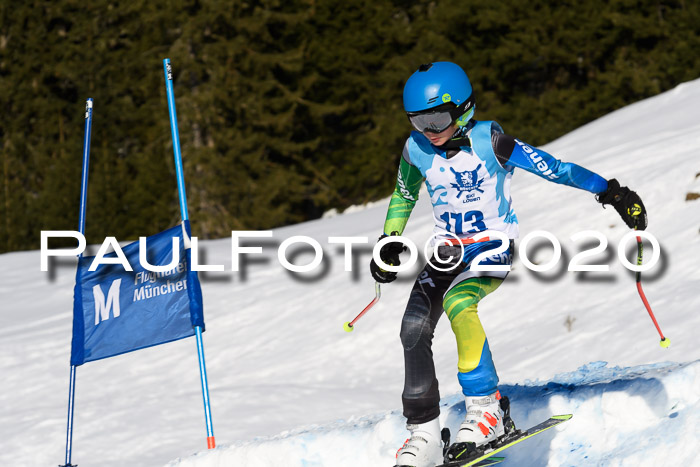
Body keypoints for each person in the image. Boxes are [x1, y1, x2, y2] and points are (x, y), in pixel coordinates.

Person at [370, 62, 647, 467]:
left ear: (463, 108)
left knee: (460, 302)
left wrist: (611, 191)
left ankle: (487, 409)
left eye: (437, 118)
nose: (429, 130)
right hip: (447, 250)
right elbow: (403, 195)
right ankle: (424, 432)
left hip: (493, 246)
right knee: (413, 326)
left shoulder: (492, 143)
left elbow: (557, 169)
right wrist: (389, 240)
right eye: (418, 121)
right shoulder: (416, 150)